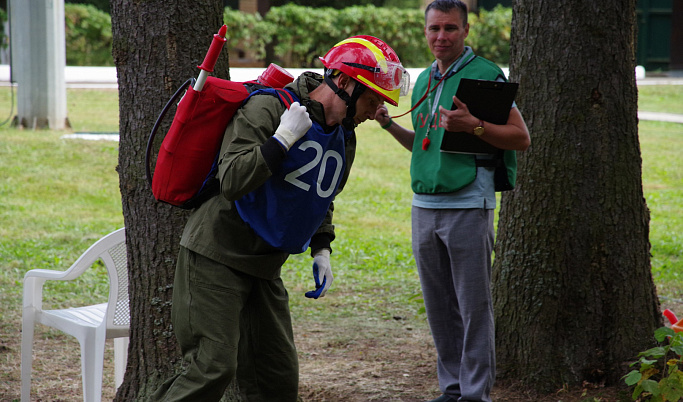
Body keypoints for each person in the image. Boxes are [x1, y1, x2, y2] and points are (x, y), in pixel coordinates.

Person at [150, 35, 409, 402]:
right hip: (216, 256)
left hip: (265, 268)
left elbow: (322, 193)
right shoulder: (270, 108)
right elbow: (233, 179)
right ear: (345, 83)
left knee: (276, 381)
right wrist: (282, 139)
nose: (374, 111)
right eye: (371, 99)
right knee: (211, 368)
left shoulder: (344, 137)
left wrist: (322, 247)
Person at [375, 1, 530, 401]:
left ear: (465, 31)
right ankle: (452, 389)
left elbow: (520, 138)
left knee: (474, 308)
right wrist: (389, 124)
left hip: (468, 206)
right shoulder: (425, 78)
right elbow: (426, 146)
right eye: (434, 29)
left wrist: (475, 126)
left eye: (449, 28)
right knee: (440, 309)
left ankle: (476, 394)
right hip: (424, 207)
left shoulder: (485, 76)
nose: (441, 36)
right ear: (425, 32)